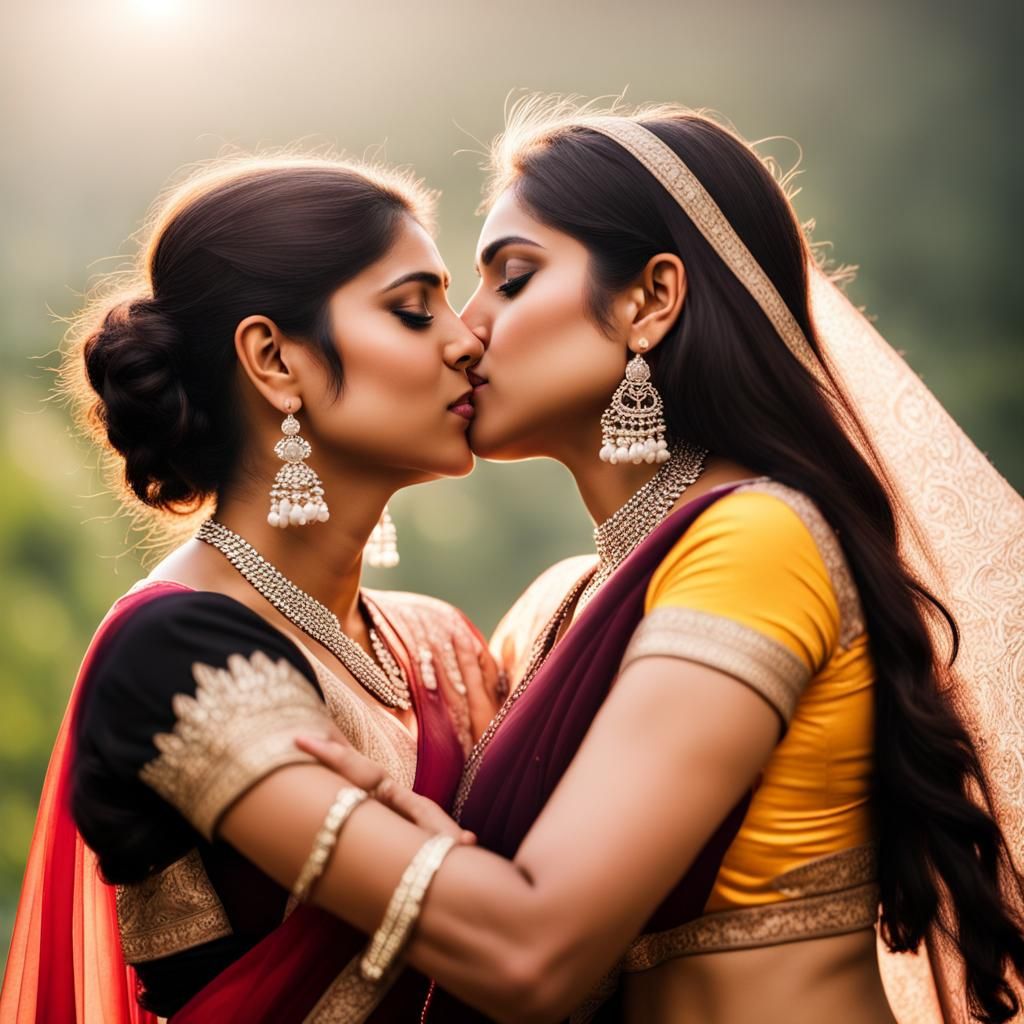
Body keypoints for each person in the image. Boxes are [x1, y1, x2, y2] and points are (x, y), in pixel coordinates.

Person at [294, 100, 1022, 1024]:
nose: (465, 330)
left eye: (511, 280)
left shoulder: (759, 542)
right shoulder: (562, 602)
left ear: (649, 300)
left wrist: (277, 794)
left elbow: (535, 949)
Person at [0, 154, 501, 1023]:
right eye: (415, 310)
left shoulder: (435, 643)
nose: (467, 340)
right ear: (274, 359)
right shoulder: (171, 653)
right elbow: (512, 950)